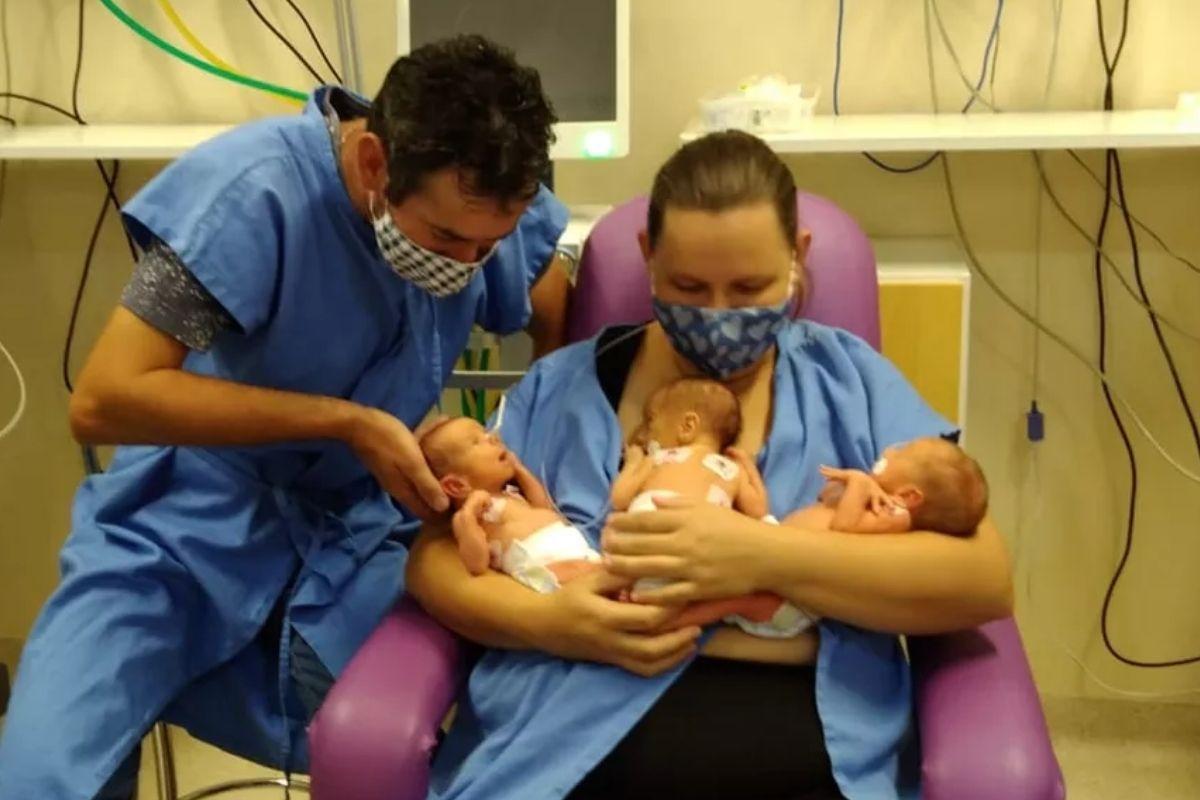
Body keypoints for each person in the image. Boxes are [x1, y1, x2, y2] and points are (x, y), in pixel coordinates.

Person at [0, 35, 569, 800]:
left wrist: (531, 447)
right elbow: (103, 399)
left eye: (486, 246)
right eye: (443, 240)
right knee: (40, 776)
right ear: (374, 163)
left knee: (489, 724)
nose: (465, 266)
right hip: (182, 528)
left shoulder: (480, 199)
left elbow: (549, 295)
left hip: (358, 530)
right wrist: (348, 423)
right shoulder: (253, 191)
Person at [407, 130, 1013, 800]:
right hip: (562, 744)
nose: (720, 315)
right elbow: (434, 557)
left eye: (750, 287)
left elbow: (982, 577)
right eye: (690, 286)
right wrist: (548, 624)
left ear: (797, 256)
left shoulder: (850, 383)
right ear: (649, 257)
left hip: (806, 752)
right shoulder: (562, 389)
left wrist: (759, 556)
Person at [795, 437, 990, 536]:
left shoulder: (896, 514)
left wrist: (858, 482)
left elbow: (842, 527)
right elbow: (825, 497)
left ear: (909, 496)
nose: (889, 451)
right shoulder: (876, 496)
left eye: (901, 452)